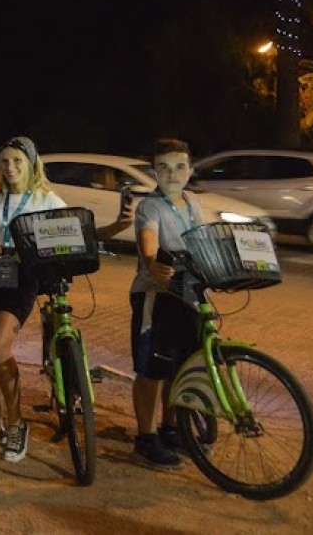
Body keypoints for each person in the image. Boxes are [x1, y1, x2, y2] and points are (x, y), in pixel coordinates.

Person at [0, 136, 65, 462]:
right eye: (5, 161)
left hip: (22, 277)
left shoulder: (46, 200)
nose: (10, 168)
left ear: (31, 163)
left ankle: (17, 423)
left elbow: (67, 236)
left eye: (17, 161)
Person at [129, 137, 204, 470]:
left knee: (181, 364)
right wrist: (150, 260)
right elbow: (149, 238)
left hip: (187, 290)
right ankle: (145, 438)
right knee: (152, 368)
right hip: (155, 293)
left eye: (180, 167)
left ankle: (170, 427)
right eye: (164, 167)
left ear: (190, 170)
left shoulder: (193, 203)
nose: (172, 174)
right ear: (154, 171)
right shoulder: (151, 206)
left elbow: (202, 241)